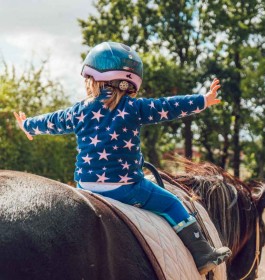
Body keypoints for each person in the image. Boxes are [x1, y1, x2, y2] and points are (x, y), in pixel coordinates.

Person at [14, 41, 231, 274]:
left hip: (86, 187)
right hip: (126, 188)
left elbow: (53, 121)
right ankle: (202, 254)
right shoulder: (134, 108)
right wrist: (203, 100)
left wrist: (28, 125)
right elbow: (168, 106)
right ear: (130, 83)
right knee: (171, 203)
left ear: (91, 80)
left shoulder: (78, 110)